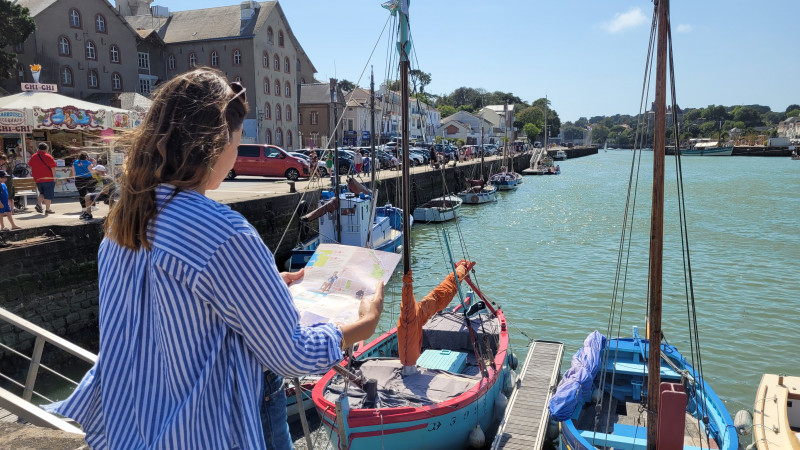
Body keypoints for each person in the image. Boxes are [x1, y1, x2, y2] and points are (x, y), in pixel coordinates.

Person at [44, 68, 385, 449]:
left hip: (131, 426)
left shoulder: (124, 218)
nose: (237, 153)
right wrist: (362, 325)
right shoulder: (222, 232)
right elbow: (291, 355)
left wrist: (265, 288)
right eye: (237, 143)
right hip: (198, 432)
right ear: (215, 144)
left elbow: (169, 316)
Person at [28, 142, 57, 215]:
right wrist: (54, 178)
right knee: (48, 194)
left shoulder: (33, 156)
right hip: (48, 178)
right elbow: (53, 168)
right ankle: (47, 209)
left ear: (38, 148)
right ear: (46, 149)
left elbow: (31, 167)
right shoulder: (48, 157)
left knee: (42, 193)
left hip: (38, 179)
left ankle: (39, 204)